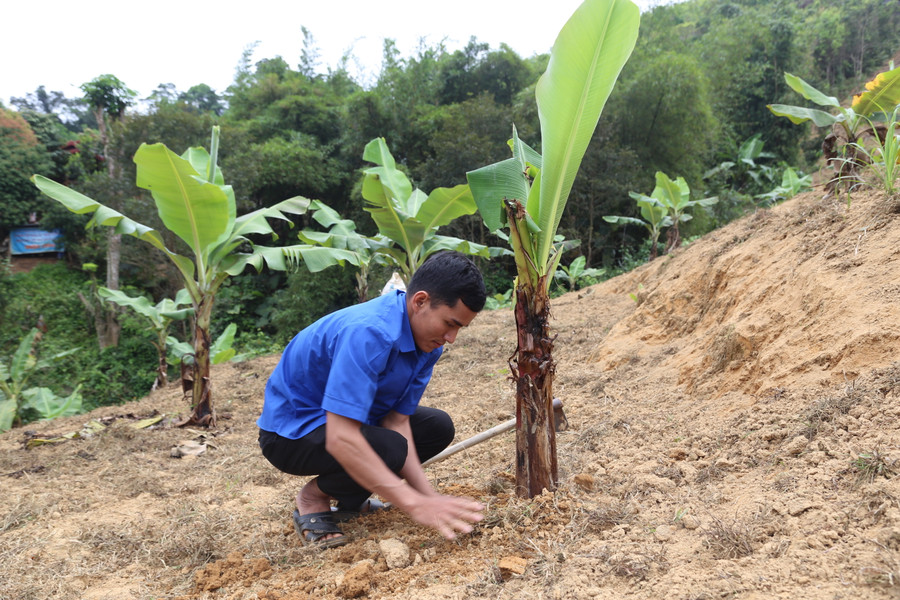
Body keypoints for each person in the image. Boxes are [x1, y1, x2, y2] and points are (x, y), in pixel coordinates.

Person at [257, 251, 488, 549]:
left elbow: (397, 420)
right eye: (449, 323)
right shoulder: (369, 333)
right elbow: (342, 437)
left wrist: (429, 497)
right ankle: (313, 497)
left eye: (459, 328)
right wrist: (412, 503)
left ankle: (351, 502)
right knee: (391, 447)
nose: (452, 337)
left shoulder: (429, 345)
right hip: (290, 434)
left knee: (436, 427)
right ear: (419, 302)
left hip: (346, 423)